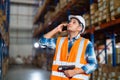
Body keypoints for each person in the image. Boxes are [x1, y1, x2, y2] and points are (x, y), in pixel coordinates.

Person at [39, 15, 98, 80]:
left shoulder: (86, 44)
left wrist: (75, 72)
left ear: (79, 28)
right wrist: (56, 29)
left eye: (74, 22)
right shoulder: (59, 41)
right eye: (70, 21)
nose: (70, 23)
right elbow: (42, 41)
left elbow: (93, 65)